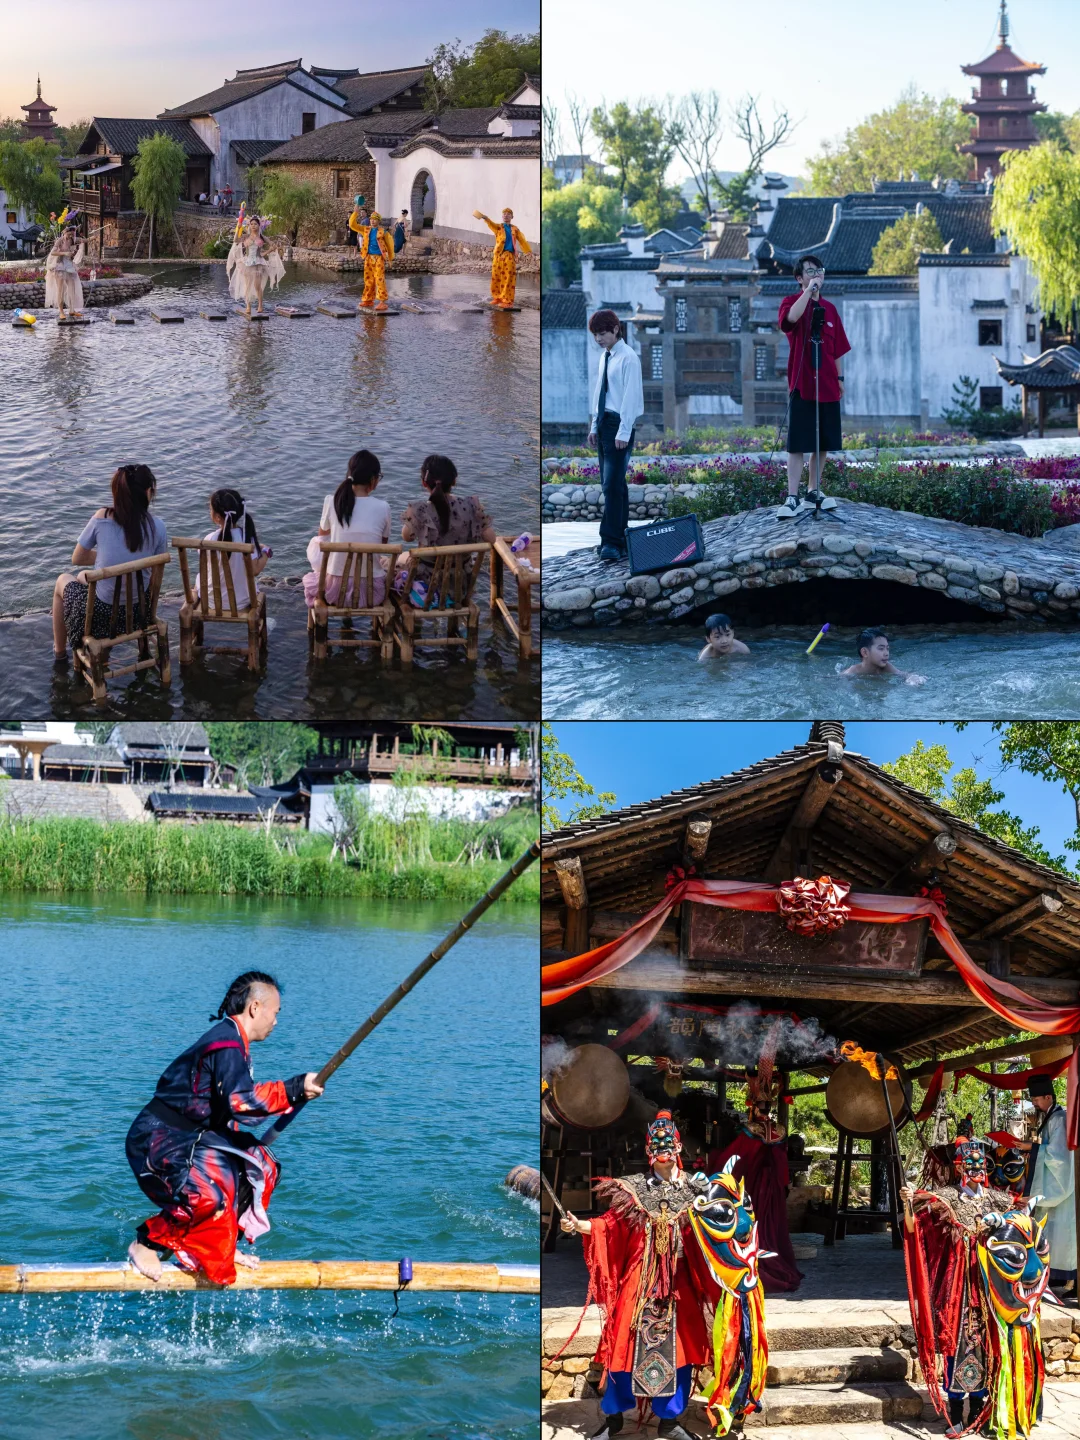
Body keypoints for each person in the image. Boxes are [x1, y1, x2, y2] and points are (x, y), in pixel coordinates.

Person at [561, 1112, 767, 1440]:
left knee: (680, 1350)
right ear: (648, 1151)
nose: (663, 1149)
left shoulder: (698, 1190)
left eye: (668, 1143)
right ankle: (614, 1419)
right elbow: (610, 1225)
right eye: (656, 1144)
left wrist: (739, 1253)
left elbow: (727, 1225)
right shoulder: (633, 1189)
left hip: (679, 1282)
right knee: (623, 1346)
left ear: (679, 1147)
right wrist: (580, 1225)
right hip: (639, 1280)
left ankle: (669, 1422)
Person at [125, 972, 324, 1287]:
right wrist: (295, 1088)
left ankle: (224, 1243)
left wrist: (292, 1097)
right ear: (255, 1007)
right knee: (207, 1195)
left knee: (261, 1167)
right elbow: (241, 1101)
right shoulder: (226, 1044)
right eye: (275, 1013)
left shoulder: (235, 1042)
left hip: (197, 1136)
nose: (276, 1021)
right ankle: (146, 1243)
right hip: (160, 1138)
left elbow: (231, 1109)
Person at [900, 1177, 1048, 1439]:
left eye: (981, 1163)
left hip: (989, 1286)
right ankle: (956, 1415)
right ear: (960, 1166)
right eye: (970, 1162)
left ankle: (979, 1411)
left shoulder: (996, 1198)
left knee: (988, 1346)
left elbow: (1019, 1218)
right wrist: (908, 1202)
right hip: (958, 1285)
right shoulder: (945, 1197)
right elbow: (915, 1228)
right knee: (957, 1343)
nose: (976, 1167)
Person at [52, 464, 169, 660]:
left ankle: (60, 653)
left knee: (62, 581)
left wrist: (106, 560)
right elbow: (156, 572)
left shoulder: (102, 517)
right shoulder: (158, 526)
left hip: (102, 616)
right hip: (140, 613)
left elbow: (77, 558)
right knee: (82, 576)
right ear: (148, 492)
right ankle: (109, 652)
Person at [776, 255, 851, 519]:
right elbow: (790, 320)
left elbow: (838, 348)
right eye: (810, 272)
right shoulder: (791, 302)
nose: (816, 275)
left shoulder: (830, 309)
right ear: (799, 278)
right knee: (798, 443)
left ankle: (813, 490)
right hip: (802, 383)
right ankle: (792, 496)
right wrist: (809, 292)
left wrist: (840, 379)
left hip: (828, 384)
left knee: (823, 442)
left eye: (819, 270)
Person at [707, 1086, 802, 1293]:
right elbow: (782, 1162)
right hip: (773, 1188)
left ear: (754, 1106)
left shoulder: (749, 1130)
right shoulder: (779, 1131)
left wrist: (714, 1164)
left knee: (753, 1221)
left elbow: (736, 1158)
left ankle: (752, 1261)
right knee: (772, 1225)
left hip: (754, 1186)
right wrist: (783, 1183)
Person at [587, 309, 644, 563]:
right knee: (614, 485)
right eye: (595, 334)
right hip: (604, 422)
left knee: (611, 485)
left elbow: (631, 397)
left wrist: (624, 430)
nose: (598, 339)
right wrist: (594, 425)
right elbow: (600, 391)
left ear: (615, 330)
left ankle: (610, 541)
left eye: (602, 333)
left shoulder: (628, 358)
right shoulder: (606, 356)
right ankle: (620, 540)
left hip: (619, 425)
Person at [303, 449, 392, 609]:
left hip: (334, 591)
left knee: (317, 542)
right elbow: (382, 544)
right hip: (372, 593)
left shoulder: (332, 501)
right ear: (373, 480)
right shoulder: (383, 507)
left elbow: (321, 539)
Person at [1014, 1075, 1076, 1299]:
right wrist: (1032, 1149)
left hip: (1063, 1189)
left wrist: (1032, 1148)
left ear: (1048, 1097)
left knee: (1065, 1237)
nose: (1034, 1104)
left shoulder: (1060, 1118)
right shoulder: (1051, 1118)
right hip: (1053, 1187)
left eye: (1036, 1100)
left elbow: (1060, 1157)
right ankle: (1056, 1277)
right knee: (1055, 1236)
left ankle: (1071, 1281)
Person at [400, 454, 496, 595]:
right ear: (454, 481)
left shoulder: (420, 510)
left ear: (424, 483)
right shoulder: (471, 507)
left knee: (401, 558)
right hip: (460, 586)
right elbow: (491, 539)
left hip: (427, 586)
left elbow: (406, 537)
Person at [194, 487, 269, 610]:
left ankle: (193, 596)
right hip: (242, 602)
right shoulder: (246, 538)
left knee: (200, 576)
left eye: (210, 509)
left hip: (211, 601)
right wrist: (266, 552)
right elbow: (255, 570)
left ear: (217, 517)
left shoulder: (209, 539)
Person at [472, 207, 532, 308]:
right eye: (504, 214)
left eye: (508, 214)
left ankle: (507, 300)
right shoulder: (498, 227)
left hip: (509, 256)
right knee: (496, 277)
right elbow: (491, 223)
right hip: (498, 256)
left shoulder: (515, 229)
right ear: (502, 216)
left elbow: (522, 240)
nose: (506, 215)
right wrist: (485, 217)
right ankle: (497, 298)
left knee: (508, 278)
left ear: (512, 217)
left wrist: (528, 250)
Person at [226, 214, 285, 317]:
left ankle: (260, 305)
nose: (253, 226)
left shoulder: (262, 237)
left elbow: (273, 245)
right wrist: (238, 228)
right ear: (249, 225)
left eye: (255, 224)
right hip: (247, 263)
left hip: (258, 264)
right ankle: (248, 306)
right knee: (248, 285)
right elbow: (235, 240)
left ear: (259, 225)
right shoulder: (246, 236)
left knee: (257, 286)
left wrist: (270, 250)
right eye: (251, 224)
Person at [840, 627, 926, 685]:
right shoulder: (852, 672)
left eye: (887, 648)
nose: (886, 653)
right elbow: (838, 681)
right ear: (865, 652)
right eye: (881, 649)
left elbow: (903, 674)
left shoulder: (886, 667)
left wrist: (913, 678)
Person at [350, 210, 394, 312]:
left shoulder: (383, 232)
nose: (372, 221)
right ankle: (368, 300)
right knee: (368, 279)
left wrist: (390, 258)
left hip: (379, 258)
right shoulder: (365, 229)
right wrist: (355, 212)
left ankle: (382, 302)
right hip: (368, 257)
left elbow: (390, 245)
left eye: (375, 219)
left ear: (378, 221)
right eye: (371, 219)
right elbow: (352, 225)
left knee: (379, 279)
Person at [44, 221, 85, 318]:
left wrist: (91, 238)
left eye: (72, 234)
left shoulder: (71, 240)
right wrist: (64, 253)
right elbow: (53, 252)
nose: (70, 236)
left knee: (72, 288)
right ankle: (61, 311)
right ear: (64, 232)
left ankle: (72, 310)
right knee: (60, 289)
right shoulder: (59, 241)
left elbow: (83, 240)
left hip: (69, 266)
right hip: (59, 266)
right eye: (69, 234)